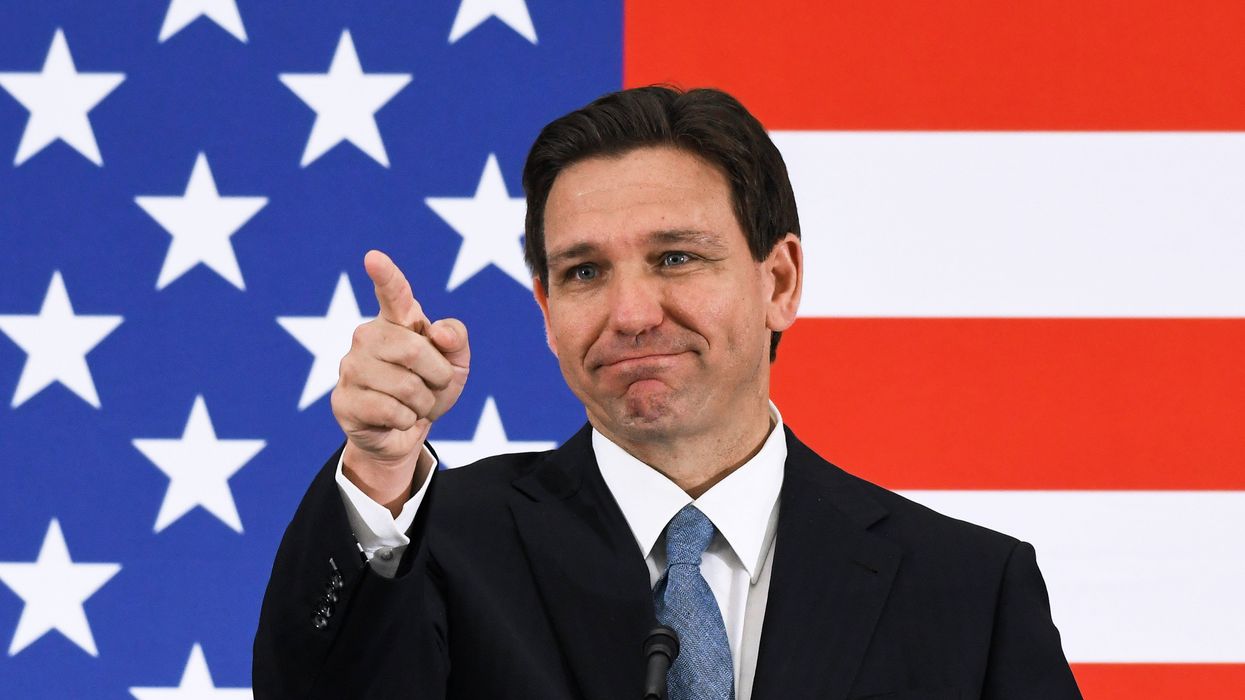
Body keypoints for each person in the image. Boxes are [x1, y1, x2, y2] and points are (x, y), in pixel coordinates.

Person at [253, 86, 1083, 700]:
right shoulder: (433, 544)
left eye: (676, 257)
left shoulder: (967, 589)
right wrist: (380, 468)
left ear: (779, 280)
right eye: (583, 272)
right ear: (545, 312)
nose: (631, 313)